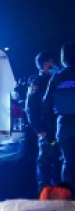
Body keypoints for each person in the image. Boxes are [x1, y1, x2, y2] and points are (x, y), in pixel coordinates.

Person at [39, 43, 75, 186]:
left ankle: (69, 198)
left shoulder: (58, 77)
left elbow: (46, 103)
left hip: (64, 124)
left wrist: (49, 126)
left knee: (68, 162)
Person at [26, 51, 61, 194]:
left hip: (60, 128)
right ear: (43, 65)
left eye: (53, 61)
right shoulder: (37, 83)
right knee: (45, 163)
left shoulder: (59, 79)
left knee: (60, 163)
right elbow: (30, 109)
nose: (53, 64)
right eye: (49, 62)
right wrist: (40, 130)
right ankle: (44, 196)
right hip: (46, 130)